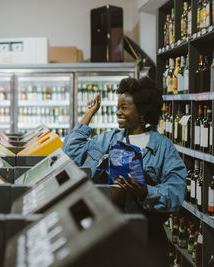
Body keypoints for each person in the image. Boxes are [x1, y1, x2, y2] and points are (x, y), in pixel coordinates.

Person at [63, 77, 186, 266]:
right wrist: (88, 114)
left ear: (142, 112)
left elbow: (176, 192)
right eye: (117, 107)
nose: (118, 112)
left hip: (148, 239)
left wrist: (146, 192)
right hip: (112, 234)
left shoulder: (163, 148)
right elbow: (71, 152)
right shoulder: (109, 140)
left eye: (124, 108)